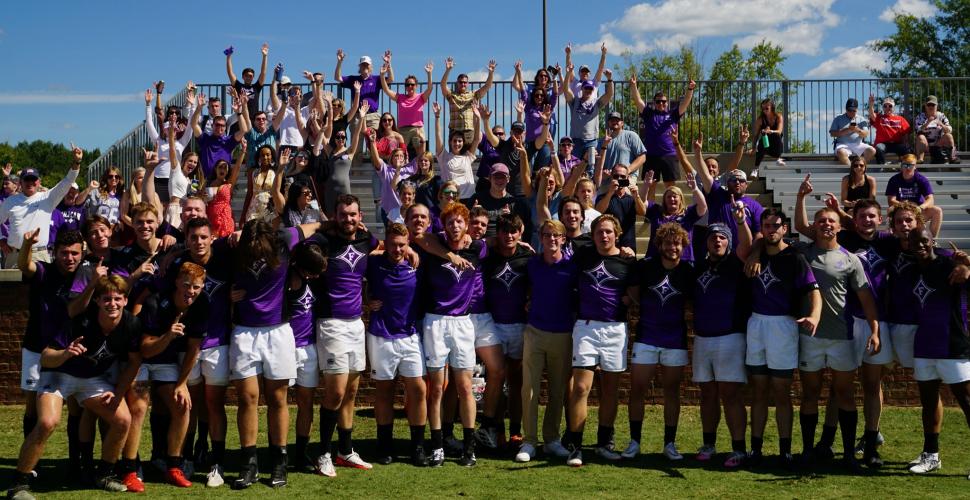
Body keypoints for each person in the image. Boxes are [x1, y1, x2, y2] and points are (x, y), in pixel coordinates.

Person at [8, 276, 140, 498]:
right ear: (97, 301)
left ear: (126, 301)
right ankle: (19, 484)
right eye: (106, 299)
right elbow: (46, 358)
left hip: (93, 379)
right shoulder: (81, 321)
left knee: (123, 420)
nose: (112, 304)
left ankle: (105, 474)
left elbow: (135, 361)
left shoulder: (131, 324)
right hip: (60, 374)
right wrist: (66, 353)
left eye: (117, 299)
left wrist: (118, 394)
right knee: (47, 422)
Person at [793, 182, 881, 471]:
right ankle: (807, 450)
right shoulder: (802, 254)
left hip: (841, 336)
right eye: (821, 222)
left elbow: (865, 297)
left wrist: (875, 330)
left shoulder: (850, 259)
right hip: (810, 336)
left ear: (839, 226)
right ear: (814, 227)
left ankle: (847, 455)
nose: (826, 225)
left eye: (830, 221)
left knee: (845, 393)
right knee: (810, 394)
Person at [229, 218, 320, 489]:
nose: (257, 250)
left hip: (278, 331)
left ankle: (279, 462)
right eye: (252, 246)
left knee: (278, 399)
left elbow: (315, 226)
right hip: (245, 331)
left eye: (261, 246)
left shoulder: (285, 240)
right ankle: (249, 465)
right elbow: (203, 247)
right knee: (247, 399)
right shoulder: (235, 247)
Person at [302, 194, 379, 476]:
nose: (349, 219)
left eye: (353, 214)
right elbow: (300, 246)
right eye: (344, 214)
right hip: (331, 323)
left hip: (356, 322)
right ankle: (323, 452)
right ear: (335, 215)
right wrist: (322, 225)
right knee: (334, 391)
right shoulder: (323, 242)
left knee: (351, 392)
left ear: (360, 216)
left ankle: (345, 450)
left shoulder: (366, 240)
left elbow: (379, 248)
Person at [744, 209, 821, 467]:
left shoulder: (795, 256)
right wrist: (756, 250)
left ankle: (785, 450)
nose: (771, 230)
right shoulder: (757, 252)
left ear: (784, 228)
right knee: (758, 390)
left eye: (776, 225)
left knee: (781, 392)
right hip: (756, 323)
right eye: (766, 225)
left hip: (783, 325)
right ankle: (755, 449)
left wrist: (814, 316)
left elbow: (814, 291)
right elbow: (750, 244)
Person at [562, 215, 635, 467]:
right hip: (586, 327)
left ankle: (604, 442)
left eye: (608, 232)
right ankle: (576, 445)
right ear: (592, 235)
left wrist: (629, 297)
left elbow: (635, 293)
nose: (604, 236)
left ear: (617, 233)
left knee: (610, 389)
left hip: (616, 329)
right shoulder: (583, 255)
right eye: (599, 232)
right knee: (581, 388)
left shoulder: (627, 261)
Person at [129, 262, 208, 490]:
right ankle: (131, 467)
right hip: (140, 360)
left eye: (196, 287)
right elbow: (144, 349)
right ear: (176, 283)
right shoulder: (155, 302)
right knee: (138, 407)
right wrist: (168, 336)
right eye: (186, 285)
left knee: (182, 405)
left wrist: (182, 383)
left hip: (166, 362)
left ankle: (174, 465)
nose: (190, 292)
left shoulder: (202, 303)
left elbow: (194, 348)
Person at [422, 202, 488, 467]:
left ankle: (468, 447)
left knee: (464, 387)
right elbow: (419, 237)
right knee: (436, 388)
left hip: (462, 323)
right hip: (435, 321)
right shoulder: (434, 244)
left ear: (467, 222)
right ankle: (437, 445)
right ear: (444, 224)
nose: (455, 226)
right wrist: (449, 256)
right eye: (450, 222)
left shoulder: (477, 247)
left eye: (460, 221)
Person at [625, 223, 695, 461]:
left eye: (676, 243)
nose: (672, 247)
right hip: (646, 336)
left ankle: (669, 443)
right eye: (668, 242)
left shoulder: (688, 270)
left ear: (683, 245)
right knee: (638, 389)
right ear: (659, 244)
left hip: (675, 339)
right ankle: (634, 441)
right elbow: (633, 292)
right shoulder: (646, 267)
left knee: (672, 391)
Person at [903, 228, 970, 475]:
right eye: (914, 241)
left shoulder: (949, 265)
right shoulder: (910, 268)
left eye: (924, 240)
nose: (920, 245)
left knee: (966, 400)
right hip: (924, 345)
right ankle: (931, 456)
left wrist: (968, 267)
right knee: (929, 402)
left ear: (933, 241)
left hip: (952, 344)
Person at [365, 223, 429, 466]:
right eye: (393, 244)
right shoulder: (375, 263)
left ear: (408, 243)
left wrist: (413, 251)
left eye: (402, 245)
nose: (397, 249)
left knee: (418, 389)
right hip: (381, 336)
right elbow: (354, 276)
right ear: (386, 243)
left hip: (410, 335)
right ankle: (384, 446)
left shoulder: (417, 264)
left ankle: (418, 446)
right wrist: (367, 299)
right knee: (384, 391)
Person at [16, 229, 83, 457]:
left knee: (75, 404)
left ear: (82, 253)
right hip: (36, 346)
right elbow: (25, 266)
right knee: (32, 406)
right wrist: (27, 245)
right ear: (54, 253)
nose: (70, 258)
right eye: (64, 253)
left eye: (75, 253)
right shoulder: (45, 271)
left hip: (70, 348)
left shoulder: (84, 274)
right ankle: (31, 463)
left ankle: (76, 461)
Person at [691, 221, 753, 468]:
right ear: (706, 242)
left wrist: (740, 223)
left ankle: (739, 448)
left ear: (729, 242)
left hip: (730, 336)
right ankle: (709, 444)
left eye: (723, 238)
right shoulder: (698, 267)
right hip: (702, 337)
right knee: (707, 394)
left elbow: (748, 245)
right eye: (713, 237)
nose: (717, 241)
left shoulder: (736, 265)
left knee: (731, 394)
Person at [516, 219, 576, 463]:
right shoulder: (532, 265)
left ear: (563, 239)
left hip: (563, 334)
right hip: (535, 331)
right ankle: (529, 441)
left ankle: (551, 439)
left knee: (557, 390)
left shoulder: (573, 266)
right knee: (529, 388)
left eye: (556, 235)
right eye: (547, 235)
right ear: (540, 238)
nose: (552, 239)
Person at [476, 214, 533, 450]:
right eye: (504, 231)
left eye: (514, 231)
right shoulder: (488, 257)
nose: (509, 236)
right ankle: (496, 428)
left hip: (520, 325)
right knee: (495, 379)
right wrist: (488, 242)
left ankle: (516, 431)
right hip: (494, 324)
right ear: (497, 233)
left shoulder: (528, 257)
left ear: (520, 233)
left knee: (517, 380)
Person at [0, 144, 83, 268]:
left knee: (40, 287)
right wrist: (2, 241)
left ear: (39, 182)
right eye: (26, 179)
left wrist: (77, 161)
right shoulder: (10, 201)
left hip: (39, 255)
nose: (30, 183)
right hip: (14, 255)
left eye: (33, 179)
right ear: (20, 182)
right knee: (12, 288)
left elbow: (68, 181)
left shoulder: (48, 198)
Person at [285, 242, 328, 474]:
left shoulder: (314, 280)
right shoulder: (288, 280)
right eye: (314, 270)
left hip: (309, 346)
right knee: (279, 402)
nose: (318, 274)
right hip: (286, 348)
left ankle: (300, 454)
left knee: (306, 403)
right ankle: (279, 452)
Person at [692, 128, 764, 252]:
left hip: (743, 256)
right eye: (733, 180)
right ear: (727, 182)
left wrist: (755, 255)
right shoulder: (717, 194)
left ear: (746, 185)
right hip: (719, 253)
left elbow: (758, 234)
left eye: (741, 180)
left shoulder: (755, 206)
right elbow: (705, 175)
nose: (737, 182)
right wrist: (698, 153)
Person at [630, 74, 696, 190]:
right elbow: (638, 100)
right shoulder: (649, 114)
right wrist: (634, 86)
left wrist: (690, 89)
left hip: (669, 155)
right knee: (650, 187)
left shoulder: (673, 114)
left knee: (671, 188)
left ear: (667, 102)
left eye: (664, 101)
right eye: (658, 102)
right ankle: (649, 208)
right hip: (651, 155)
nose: (661, 104)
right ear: (654, 103)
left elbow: (685, 103)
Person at [643, 169, 707, 262]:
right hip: (656, 259)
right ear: (664, 200)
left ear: (681, 199)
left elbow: (703, 206)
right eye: (668, 197)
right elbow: (642, 203)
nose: (672, 199)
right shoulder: (656, 211)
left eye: (675, 196)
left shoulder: (688, 213)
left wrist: (695, 189)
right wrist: (646, 186)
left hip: (683, 260)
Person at [145, 87, 193, 203]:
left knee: (172, 208)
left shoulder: (181, 142)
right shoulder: (158, 140)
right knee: (157, 207)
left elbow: (191, 125)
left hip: (174, 178)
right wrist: (148, 105)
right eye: (168, 128)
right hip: (158, 179)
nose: (171, 130)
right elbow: (149, 123)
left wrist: (192, 106)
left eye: (174, 128)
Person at [321, 102, 368, 217]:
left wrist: (361, 118)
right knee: (331, 216)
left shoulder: (349, 152)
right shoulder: (329, 150)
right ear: (335, 139)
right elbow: (321, 135)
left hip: (344, 187)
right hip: (330, 187)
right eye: (338, 137)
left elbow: (356, 134)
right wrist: (319, 122)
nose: (340, 139)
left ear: (345, 139)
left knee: (346, 212)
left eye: (343, 137)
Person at [564, 65, 613, 171]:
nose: (588, 90)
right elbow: (566, 89)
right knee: (575, 168)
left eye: (590, 88)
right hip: (576, 141)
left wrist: (609, 79)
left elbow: (609, 95)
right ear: (582, 88)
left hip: (591, 141)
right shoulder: (574, 101)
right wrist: (568, 74)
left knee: (590, 169)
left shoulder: (596, 103)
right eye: (586, 88)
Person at [381, 61, 433, 158]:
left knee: (421, 155)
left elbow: (430, 89)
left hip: (417, 128)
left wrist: (429, 74)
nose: (410, 87)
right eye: (407, 85)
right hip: (403, 130)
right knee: (400, 154)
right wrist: (382, 75)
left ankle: (421, 172)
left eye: (412, 84)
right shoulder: (400, 97)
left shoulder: (421, 97)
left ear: (416, 86)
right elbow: (386, 90)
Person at [192, 92, 249, 180]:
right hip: (206, 182)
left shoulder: (229, 141)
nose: (219, 127)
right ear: (212, 126)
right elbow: (194, 124)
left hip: (224, 182)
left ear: (226, 127)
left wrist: (239, 113)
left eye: (222, 125)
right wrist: (199, 108)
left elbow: (244, 130)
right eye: (217, 125)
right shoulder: (205, 139)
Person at [440, 57, 496, 144]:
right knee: (454, 157)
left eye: (465, 82)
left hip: (469, 132)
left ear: (468, 84)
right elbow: (443, 85)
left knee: (469, 157)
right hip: (454, 131)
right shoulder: (451, 95)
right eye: (461, 82)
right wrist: (448, 70)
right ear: (457, 83)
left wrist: (491, 73)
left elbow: (487, 86)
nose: (463, 84)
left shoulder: (474, 94)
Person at [885, 154, 944, 237]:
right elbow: (891, 201)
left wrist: (920, 207)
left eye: (910, 165)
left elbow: (930, 199)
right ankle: (892, 237)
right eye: (905, 165)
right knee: (890, 209)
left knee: (937, 210)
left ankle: (931, 240)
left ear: (915, 166)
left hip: (918, 211)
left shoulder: (921, 179)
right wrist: (906, 206)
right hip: (901, 210)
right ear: (901, 166)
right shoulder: (894, 179)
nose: (907, 168)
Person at [466, 164, 531, 237]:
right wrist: (472, 214)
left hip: (504, 243)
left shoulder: (514, 203)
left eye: (503, 177)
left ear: (508, 179)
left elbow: (521, 230)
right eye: (496, 177)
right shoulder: (477, 199)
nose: (499, 180)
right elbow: (464, 223)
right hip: (480, 242)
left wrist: (511, 219)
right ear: (489, 178)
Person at [433, 102, 481, 200]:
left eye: (460, 141)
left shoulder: (467, 157)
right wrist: (437, 117)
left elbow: (476, 139)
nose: (457, 143)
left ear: (463, 143)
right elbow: (438, 135)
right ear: (450, 142)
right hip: (450, 198)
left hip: (468, 198)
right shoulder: (444, 157)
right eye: (454, 141)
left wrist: (478, 118)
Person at [593, 163, 646, 251]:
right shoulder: (603, 197)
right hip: (609, 246)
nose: (619, 179)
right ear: (611, 177)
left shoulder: (632, 199)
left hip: (629, 246)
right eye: (616, 176)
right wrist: (610, 192)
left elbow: (642, 213)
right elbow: (599, 211)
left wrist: (636, 196)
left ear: (628, 178)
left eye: (622, 176)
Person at [166, 116, 206, 229]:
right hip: (174, 209)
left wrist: (198, 194)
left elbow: (193, 197)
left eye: (195, 162)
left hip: (187, 211)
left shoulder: (192, 181)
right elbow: (172, 150)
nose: (192, 164)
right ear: (184, 161)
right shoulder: (176, 170)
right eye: (190, 161)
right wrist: (171, 133)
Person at [205, 143, 245, 238]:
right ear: (215, 169)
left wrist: (243, 151)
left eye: (225, 168)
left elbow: (237, 168)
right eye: (220, 167)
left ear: (227, 171)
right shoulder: (207, 183)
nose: (222, 169)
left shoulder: (229, 184)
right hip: (210, 217)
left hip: (225, 220)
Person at [599, 112, 646, 189]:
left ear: (622, 123)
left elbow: (642, 157)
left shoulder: (631, 136)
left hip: (626, 178)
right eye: (612, 120)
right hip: (607, 180)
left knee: (625, 198)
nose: (614, 122)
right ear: (608, 123)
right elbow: (597, 163)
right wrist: (603, 173)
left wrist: (627, 170)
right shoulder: (601, 141)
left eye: (617, 120)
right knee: (603, 198)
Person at [226, 43, 268, 119]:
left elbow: (263, 72)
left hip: (254, 120)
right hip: (241, 118)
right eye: (246, 75)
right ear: (243, 77)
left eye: (250, 76)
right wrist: (229, 57)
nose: (248, 77)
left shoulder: (256, 87)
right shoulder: (239, 86)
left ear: (253, 77)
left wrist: (265, 56)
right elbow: (230, 72)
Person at [915, 95, 960, 164]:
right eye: (929, 104)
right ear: (925, 106)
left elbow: (949, 130)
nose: (931, 107)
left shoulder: (941, 116)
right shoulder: (920, 116)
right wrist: (928, 122)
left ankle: (952, 158)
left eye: (933, 105)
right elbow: (918, 131)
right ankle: (920, 159)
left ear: (936, 106)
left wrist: (941, 124)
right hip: (926, 146)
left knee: (949, 136)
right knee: (920, 137)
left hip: (938, 145)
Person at [867, 94, 911, 165]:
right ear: (883, 108)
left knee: (906, 149)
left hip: (896, 144)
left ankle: (904, 167)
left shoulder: (900, 119)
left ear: (893, 107)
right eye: (885, 106)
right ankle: (881, 167)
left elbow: (906, 133)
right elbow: (872, 114)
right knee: (878, 148)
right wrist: (871, 104)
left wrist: (906, 142)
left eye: (890, 106)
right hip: (883, 144)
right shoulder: (879, 117)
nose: (887, 108)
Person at [829, 98, 875, 165]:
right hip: (843, 144)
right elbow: (832, 133)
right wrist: (847, 130)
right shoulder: (838, 118)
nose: (851, 112)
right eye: (849, 110)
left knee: (872, 150)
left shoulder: (861, 119)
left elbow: (865, 134)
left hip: (858, 144)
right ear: (846, 109)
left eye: (854, 110)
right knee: (841, 152)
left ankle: (861, 167)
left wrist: (857, 130)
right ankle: (852, 170)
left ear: (857, 109)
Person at [84, 167, 124, 232]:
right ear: (106, 178)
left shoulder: (122, 195)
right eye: (110, 176)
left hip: (115, 230)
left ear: (119, 179)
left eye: (116, 177)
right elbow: (86, 209)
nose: (114, 179)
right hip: (99, 229)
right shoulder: (97, 192)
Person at [753, 98, 786, 175]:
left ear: (772, 107)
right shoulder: (760, 119)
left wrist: (770, 131)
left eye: (766, 108)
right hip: (765, 146)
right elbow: (756, 135)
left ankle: (778, 159)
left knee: (777, 135)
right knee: (763, 137)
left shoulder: (778, 116)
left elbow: (779, 131)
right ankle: (755, 169)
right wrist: (753, 148)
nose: (764, 110)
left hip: (775, 148)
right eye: (763, 108)